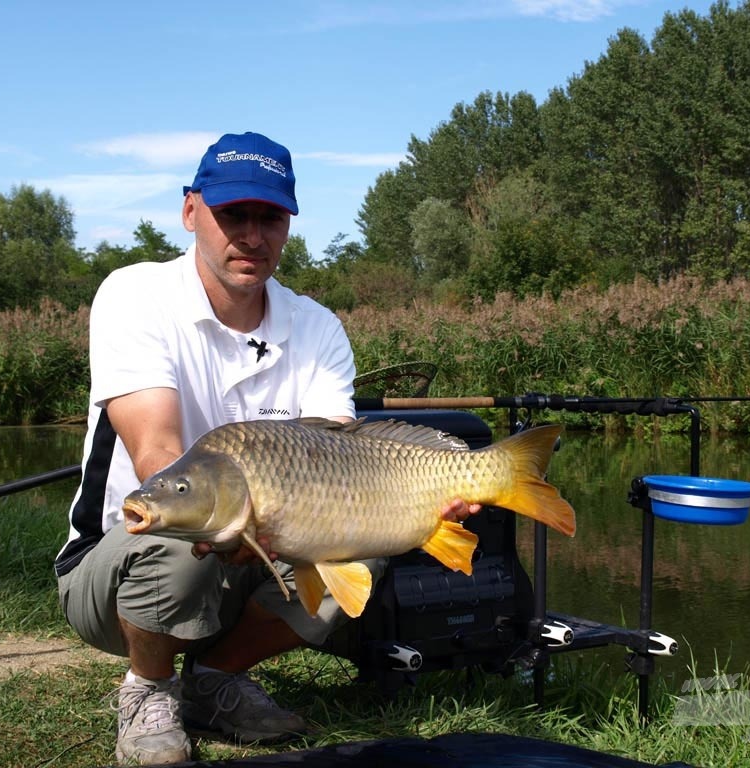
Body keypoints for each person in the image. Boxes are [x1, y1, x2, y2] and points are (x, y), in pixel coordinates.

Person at [54, 131, 479, 765]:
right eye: (234, 216)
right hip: (115, 572)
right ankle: (149, 689)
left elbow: (348, 457)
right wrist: (223, 521)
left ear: (287, 225)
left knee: (366, 549)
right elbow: (158, 453)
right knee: (177, 535)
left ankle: (215, 678)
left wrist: (421, 504)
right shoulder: (135, 295)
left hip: (264, 551)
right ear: (192, 211)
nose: (252, 236)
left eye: (269, 218)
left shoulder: (317, 326)